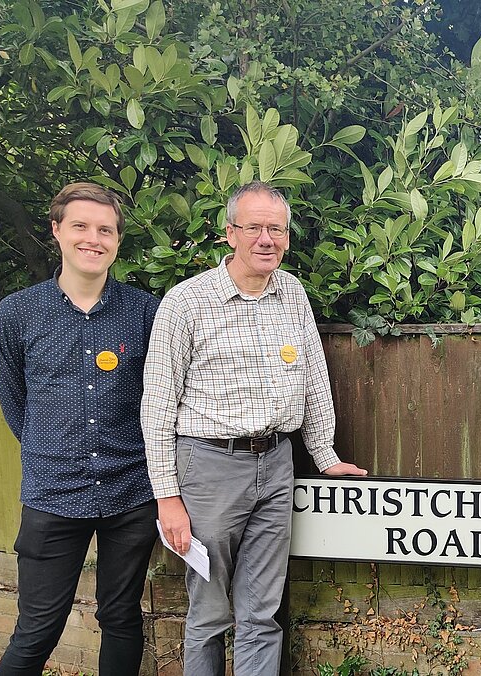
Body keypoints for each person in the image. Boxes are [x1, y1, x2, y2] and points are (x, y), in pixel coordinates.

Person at [141, 181, 367, 676]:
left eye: (277, 229)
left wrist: (325, 455)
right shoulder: (186, 302)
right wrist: (167, 497)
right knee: (208, 613)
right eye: (255, 228)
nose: (266, 239)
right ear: (230, 234)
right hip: (207, 470)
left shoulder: (292, 292)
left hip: (277, 463)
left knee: (261, 614)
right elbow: (156, 405)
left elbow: (312, 378)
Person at [0, 182, 160, 675]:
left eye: (105, 229)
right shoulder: (18, 313)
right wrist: (54, 450)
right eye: (81, 226)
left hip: (131, 494)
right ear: (57, 231)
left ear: (117, 240)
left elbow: (158, 399)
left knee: (122, 616)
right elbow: (14, 402)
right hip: (52, 496)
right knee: (37, 627)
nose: (93, 238)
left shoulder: (144, 313)